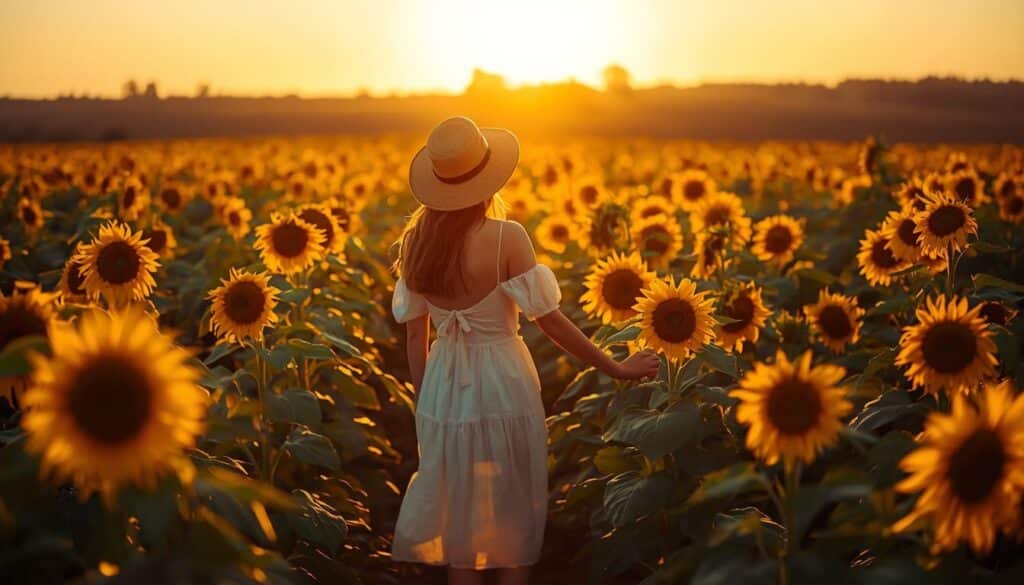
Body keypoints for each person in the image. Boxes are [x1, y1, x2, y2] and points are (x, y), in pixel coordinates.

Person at [390, 116, 660, 585]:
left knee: (460, 516)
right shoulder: (506, 238)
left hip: (443, 387)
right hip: (502, 382)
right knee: (510, 510)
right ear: (486, 176)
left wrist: (427, 401)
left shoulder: (417, 243)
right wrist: (616, 366)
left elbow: (417, 338)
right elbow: (550, 322)